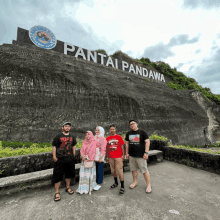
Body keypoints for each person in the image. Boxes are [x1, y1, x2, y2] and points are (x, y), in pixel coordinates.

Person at [52, 122, 77, 201]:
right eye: (66, 126)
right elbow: (54, 146)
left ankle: (68, 187)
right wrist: (54, 156)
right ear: (62, 128)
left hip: (69, 158)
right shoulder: (58, 136)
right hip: (60, 159)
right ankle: (57, 192)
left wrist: (73, 154)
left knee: (68, 174)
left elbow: (73, 145)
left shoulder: (72, 136)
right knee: (57, 175)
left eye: (68, 126)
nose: (67, 128)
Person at [125, 120, 152, 194]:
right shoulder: (128, 133)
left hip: (140, 156)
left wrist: (146, 152)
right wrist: (126, 153)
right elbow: (127, 144)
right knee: (133, 170)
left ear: (136, 124)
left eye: (133, 123)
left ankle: (148, 185)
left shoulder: (142, 132)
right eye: (130, 124)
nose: (131, 125)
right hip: (131, 156)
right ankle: (135, 182)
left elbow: (147, 142)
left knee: (144, 170)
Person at [106, 125, 125, 195]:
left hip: (118, 157)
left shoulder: (119, 137)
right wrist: (107, 157)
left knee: (120, 171)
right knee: (113, 171)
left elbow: (122, 146)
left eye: (113, 129)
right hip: (110, 157)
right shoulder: (107, 138)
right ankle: (116, 183)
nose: (112, 130)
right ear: (109, 130)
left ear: (115, 130)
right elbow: (107, 148)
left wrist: (123, 155)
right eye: (111, 129)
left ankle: (122, 186)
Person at [94, 126, 107, 190]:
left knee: (99, 168)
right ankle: (95, 181)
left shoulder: (103, 139)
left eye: (98, 130)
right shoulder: (94, 137)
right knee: (95, 168)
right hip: (94, 155)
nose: (97, 132)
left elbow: (103, 149)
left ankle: (99, 182)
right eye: (96, 130)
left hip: (100, 155)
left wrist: (101, 157)